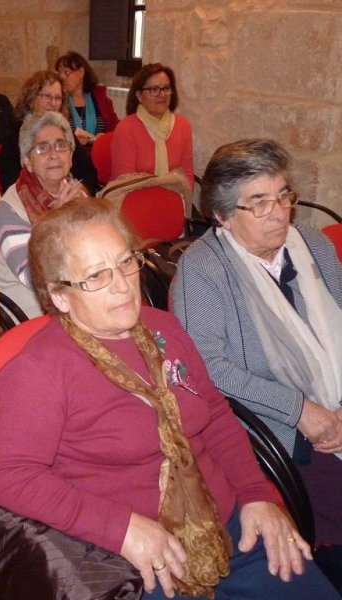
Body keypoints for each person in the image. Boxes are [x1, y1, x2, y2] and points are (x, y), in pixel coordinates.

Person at [0, 196, 340, 600]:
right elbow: (13, 478)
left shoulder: (164, 328)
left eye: (125, 262)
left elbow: (217, 417)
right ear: (61, 296)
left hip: (229, 521)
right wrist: (121, 530)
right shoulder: (38, 371)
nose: (122, 285)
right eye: (96, 277)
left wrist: (257, 496)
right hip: (138, 553)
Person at [171, 138, 342, 593]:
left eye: (284, 195)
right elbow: (208, 368)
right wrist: (299, 409)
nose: (280, 213)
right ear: (223, 216)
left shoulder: (314, 247)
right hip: (276, 427)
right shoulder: (205, 270)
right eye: (260, 203)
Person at [0, 111, 86, 318]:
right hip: (36, 312)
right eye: (42, 148)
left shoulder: (78, 193)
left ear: (70, 155)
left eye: (61, 145)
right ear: (27, 160)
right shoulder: (9, 210)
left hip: (82, 294)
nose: (54, 154)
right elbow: (36, 279)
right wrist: (58, 218)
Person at [0, 70, 98, 193]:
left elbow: (89, 173)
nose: (53, 103)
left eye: (58, 98)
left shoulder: (63, 131)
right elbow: (14, 185)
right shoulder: (16, 135)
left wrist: (79, 193)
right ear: (31, 98)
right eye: (47, 96)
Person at [111, 63, 194, 216]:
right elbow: (122, 184)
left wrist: (174, 204)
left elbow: (187, 175)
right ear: (139, 95)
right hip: (134, 207)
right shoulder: (126, 129)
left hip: (174, 203)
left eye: (166, 88)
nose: (162, 94)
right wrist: (154, 208)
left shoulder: (183, 126)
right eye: (154, 89)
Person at [55, 51, 119, 147]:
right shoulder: (58, 101)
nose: (62, 78)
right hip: (71, 156)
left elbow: (115, 128)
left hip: (98, 152)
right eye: (59, 74)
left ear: (81, 72)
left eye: (66, 72)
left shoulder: (100, 99)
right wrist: (72, 140)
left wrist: (105, 137)